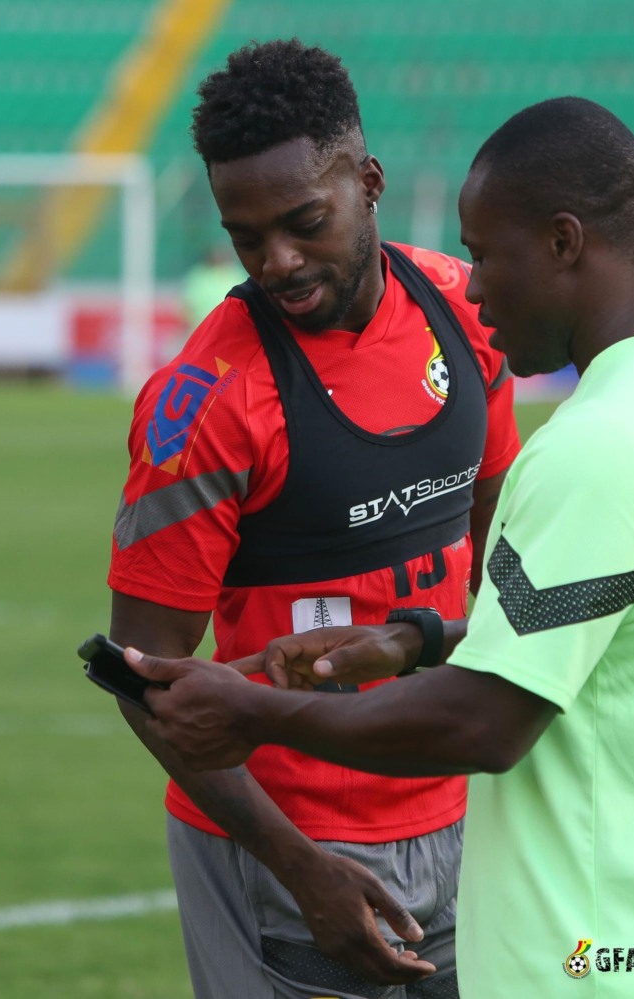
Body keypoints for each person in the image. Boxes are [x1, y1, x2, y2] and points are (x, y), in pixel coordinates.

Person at [123, 96, 634, 999]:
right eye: (247, 236)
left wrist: (256, 710)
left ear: (564, 242)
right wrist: (418, 640)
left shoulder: (586, 438)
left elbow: (486, 722)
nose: (477, 283)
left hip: (601, 940)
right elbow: (588, 626)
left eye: (489, 255)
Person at [107, 39, 520, 999]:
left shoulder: (468, 315)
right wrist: (299, 867)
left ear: (368, 182)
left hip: (474, 814)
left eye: (304, 222)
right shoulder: (203, 405)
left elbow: (501, 560)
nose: (277, 262)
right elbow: (143, 676)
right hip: (284, 856)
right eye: (247, 237)